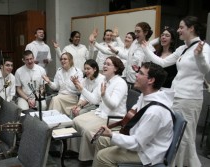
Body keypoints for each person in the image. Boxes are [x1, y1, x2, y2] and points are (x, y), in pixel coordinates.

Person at [142, 16, 210, 167]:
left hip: (190, 98)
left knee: (185, 137)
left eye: (181, 27)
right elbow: (163, 62)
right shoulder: (183, 48)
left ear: (191, 28)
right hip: (177, 96)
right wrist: (146, 48)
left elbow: (206, 70)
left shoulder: (203, 47)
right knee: (178, 135)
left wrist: (199, 57)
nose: (178, 30)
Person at [92, 62, 174, 167]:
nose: (136, 75)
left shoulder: (155, 112)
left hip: (147, 152)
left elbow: (137, 144)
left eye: (140, 73)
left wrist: (112, 134)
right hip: (139, 140)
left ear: (151, 80)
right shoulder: (144, 97)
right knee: (102, 140)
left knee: (102, 156)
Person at [69, 56, 128, 161]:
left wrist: (104, 95)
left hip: (112, 118)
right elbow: (95, 100)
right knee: (75, 120)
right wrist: (81, 89)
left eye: (108, 64)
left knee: (87, 130)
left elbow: (113, 105)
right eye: (104, 63)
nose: (104, 65)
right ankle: (75, 151)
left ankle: (87, 158)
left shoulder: (120, 83)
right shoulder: (104, 80)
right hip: (101, 113)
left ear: (116, 68)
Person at [90, 22, 154, 86]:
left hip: (139, 80)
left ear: (145, 32)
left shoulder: (149, 48)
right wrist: (94, 42)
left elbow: (148, 67)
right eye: (135, 31)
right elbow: (128, 57)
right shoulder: (135, 43)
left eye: (138, 31)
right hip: (128, 78)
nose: (136, 34)